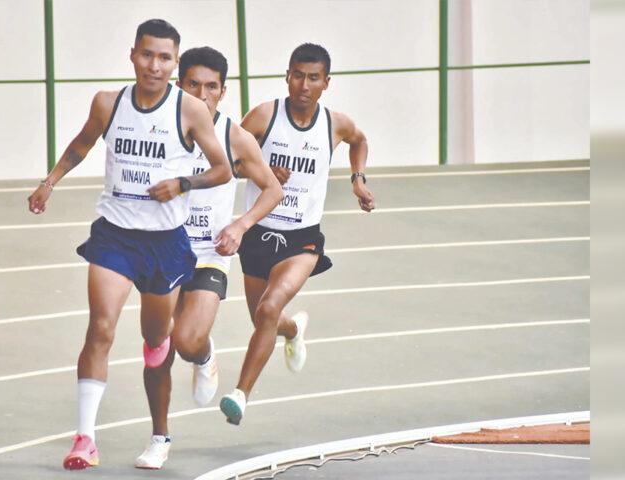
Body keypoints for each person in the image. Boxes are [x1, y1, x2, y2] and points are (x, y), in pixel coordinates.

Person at [26, 19, 232, 470]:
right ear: (132, 55)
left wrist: (181, 183)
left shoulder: (190, 111)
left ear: (174, 63)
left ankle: (161, 429)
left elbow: (222, 170)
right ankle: (85, 439)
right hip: (115, 235)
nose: (153, 65)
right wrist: (49, 182)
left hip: (164, 244)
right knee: (100, 328)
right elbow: (82, 143)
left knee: (157, 341)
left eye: (163, 58)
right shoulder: (109, 103)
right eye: (146, 55)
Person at [134, 46, 283, 470]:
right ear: (180, 84)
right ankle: (160, 436)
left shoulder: (235, 136)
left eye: (211, 86)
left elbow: (272, 189)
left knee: (186, 341)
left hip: (207, 254)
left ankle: (202, 354)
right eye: (193, 84)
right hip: (161, 250)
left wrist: (239, 225)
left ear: (223, 90)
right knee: (157, 347)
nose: (202, 93)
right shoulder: (158, 126)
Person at [219, 43, 376, 425]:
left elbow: (359, 140)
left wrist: (357, 179)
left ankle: (240, 394)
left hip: (301, 237)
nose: (304, 84)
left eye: (313, 78)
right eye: (297, 75)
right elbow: (228, 163)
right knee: (264, 319)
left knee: (269, 308)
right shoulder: (263, 117)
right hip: (258, 232)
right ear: (287, 75)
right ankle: (294, 329)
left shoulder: (334, 124)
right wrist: (262, 170)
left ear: (326, 83)